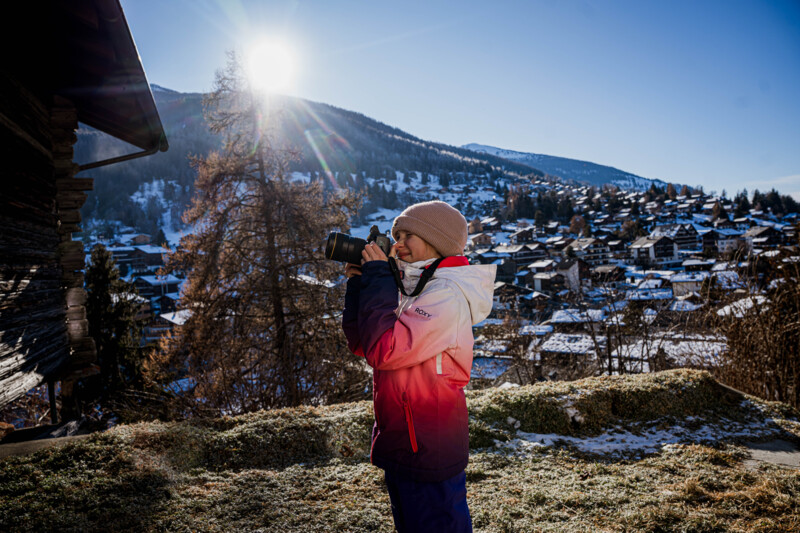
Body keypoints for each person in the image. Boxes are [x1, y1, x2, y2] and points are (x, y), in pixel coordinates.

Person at [341, 200, 496, 533]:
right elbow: (365, 344)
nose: (398, 244)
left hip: (428, 444)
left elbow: (385, 351)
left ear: (437, 241)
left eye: (407, 235)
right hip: (402, 438)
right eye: (396, 236)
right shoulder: (413, 287)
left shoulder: (446, 295)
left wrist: (379, 277)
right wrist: (359, 285)